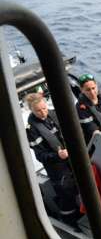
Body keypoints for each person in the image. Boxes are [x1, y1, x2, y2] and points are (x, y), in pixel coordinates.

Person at [25, 93, 80, 228]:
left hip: (72, 160)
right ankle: (71, 223)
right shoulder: (31, 130)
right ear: (31, 110)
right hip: (57, 168)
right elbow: (40, 156)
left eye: (44, 108)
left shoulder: (55, 114)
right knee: (66, 196)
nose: (43, 112)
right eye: (38, 110)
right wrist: (57, 156)